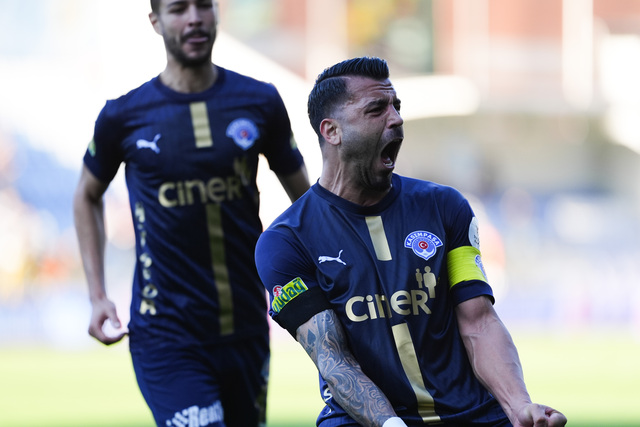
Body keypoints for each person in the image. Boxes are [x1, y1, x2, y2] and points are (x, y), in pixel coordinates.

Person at [254, 56, 566, 427]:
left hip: (473, 416)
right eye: (377, 109)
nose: (396, 119)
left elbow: (479, 320)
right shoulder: (285, 242)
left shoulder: (445, 207)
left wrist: (519, 407)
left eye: (396, 106)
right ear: (331, 131)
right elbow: (333, 359)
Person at [73, 0, 310, 426]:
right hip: (165, 334)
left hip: (246, 326)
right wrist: (97, 295)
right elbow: (86, 195)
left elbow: (307, 203)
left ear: (218, 13)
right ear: (156, 21)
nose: (194, 18)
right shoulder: (123, 116)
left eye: (203, 5)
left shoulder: (260, 101)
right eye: (179, 8)